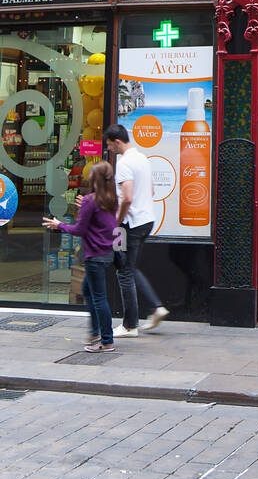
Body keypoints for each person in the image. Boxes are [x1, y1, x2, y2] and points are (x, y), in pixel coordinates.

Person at [43, 162, 119, 353]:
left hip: (95, 255)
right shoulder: (110, 199)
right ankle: (95, 332)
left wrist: (58, 225)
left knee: (99, 298)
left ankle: (106, 340)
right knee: (87, 289)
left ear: (93, 179)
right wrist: (83, 206)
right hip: (107, 253)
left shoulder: (90, 201)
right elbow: (98, 220)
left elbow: (79, 229)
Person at [103, 123, 169, 336]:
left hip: (127, 224)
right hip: (146, 220)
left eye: (109, 145)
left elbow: (128, 197)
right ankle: (155, 307)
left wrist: (117, 221)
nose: (109, 149)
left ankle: (130, 325)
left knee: (124, 271)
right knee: (129, 268)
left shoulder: (124, 163)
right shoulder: (142, 158)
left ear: (117, 142)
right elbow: (150, 189)